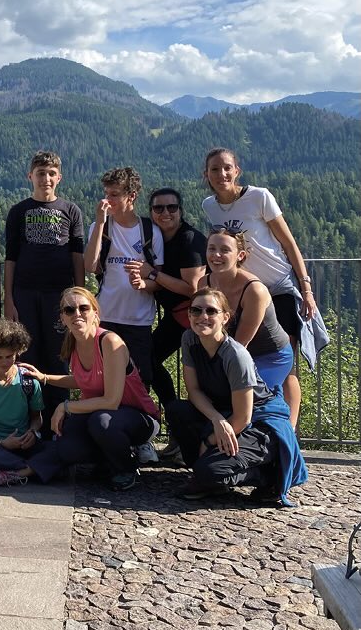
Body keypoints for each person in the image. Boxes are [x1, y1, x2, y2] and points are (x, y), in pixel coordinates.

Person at [202, 147, 328, 427]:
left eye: (227, 168)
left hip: (277, 287)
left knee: (286, 366)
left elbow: (288, 243)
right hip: (243, 293)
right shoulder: (209, 206)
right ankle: (258, 423)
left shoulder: (259, 197)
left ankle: (288, 431)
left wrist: (306, 288)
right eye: (214, 169)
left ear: (237, 171)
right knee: (245, 356)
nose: (221, 174)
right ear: (206, 174)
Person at [167, 288, 307, 505]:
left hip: (260, 423)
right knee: (177, 410)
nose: (203, 316)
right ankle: (211, 474)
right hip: (225, 413)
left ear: (225, 317)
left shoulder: (235, 355)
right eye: (196, 310)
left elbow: (243, 418)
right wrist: (216, 419)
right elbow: (193, 390)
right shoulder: (189, 339)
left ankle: (267, 474)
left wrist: (209, 440)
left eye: (211, 311)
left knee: (208, 470)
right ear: (189, 315)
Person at [20, 287, 161, 491]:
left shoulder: (109, 342)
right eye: (69, 310)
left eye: (83, 308)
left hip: (139, 418)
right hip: (106, 415)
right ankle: (106, 459)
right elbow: (86, 381)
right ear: (63, 318)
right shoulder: (74, 344)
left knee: (101, 421)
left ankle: (126, 468)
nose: (76, 314)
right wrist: (44, 378)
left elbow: (111, 401)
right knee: (68, 442)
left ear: (95, 312)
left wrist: (65, 406)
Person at [84, 167, 163, 465]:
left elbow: (158, 279)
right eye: (106, 194)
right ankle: (107, 437)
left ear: (132, 196)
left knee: (140, 382)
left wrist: (145, 283)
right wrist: (100, 223)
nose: (108, 200)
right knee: (105, 381)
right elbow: (91, 265)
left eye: (115, 195)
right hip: (106, 318)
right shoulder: (101, 227)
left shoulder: (149, 232)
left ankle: (143, 439)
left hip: (138, 319)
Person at [4, 151, 84, 435]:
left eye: (51, 174)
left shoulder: (71, 210)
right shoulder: (18, 211)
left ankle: (58, 425)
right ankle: (29, 424)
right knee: (27, 357)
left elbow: (77, 256)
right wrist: (8, 298)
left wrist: (79, 296)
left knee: (59, 357)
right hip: (24, 294)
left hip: (59, 298)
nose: (46, 179)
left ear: (59, 177)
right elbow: (10, 257)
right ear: (30, 176)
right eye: (40, 173)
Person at [124, 187, 206, 459]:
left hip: (196, 318)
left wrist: (152, 274)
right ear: (151, 212)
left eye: (172, 207)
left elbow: (192, 288)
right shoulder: (157, 238)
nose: (165, 213)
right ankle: (178, 427)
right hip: (176, 316)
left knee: (198, 376)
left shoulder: (189, 240)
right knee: (148, 361)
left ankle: (189, 435)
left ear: (181, 211)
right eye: (158, 208)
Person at [0, 320, 59, 489]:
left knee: (59, 449)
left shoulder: (28, 380)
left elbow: (37, 419)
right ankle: (36, 468)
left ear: (17, 353)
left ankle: (15, 473)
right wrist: (2, 442)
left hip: (27, 443)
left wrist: (32, 432)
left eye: (9, 356)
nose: (4, 362)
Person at [202, 228, 293, 391]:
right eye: (212, 249)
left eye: (225, 250)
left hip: (270, 356)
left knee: (250, 394)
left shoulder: (254, 290)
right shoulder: (203, 283)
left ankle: (276, 404)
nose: (216, 255)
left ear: (240, 255)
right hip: (233, 352)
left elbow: (241, 343)